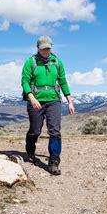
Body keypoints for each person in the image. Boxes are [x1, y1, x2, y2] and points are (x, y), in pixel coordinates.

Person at [21, 36, 75, 175]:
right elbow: (25, 81)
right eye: (43, 48)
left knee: (55, 131)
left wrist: (70, 101)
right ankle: (30, 150)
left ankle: (54, 162)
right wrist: (31, 98)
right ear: (38, 48)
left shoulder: (57, 62)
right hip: (36, 99)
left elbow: (63, 81)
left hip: (54, 100)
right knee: (35, 131)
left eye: (48, 48)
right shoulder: (31, 62)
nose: (46, 51)